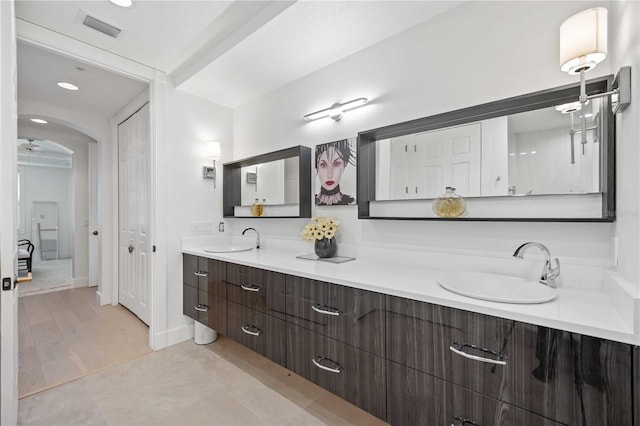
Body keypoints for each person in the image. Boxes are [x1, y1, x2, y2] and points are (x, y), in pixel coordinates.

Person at [315, 139, 356, 205]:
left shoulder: (351, 202)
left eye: (336, 164)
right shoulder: (311, 202)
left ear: (344, 164)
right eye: (323, 165)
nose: (329, 175)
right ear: (317, 166)